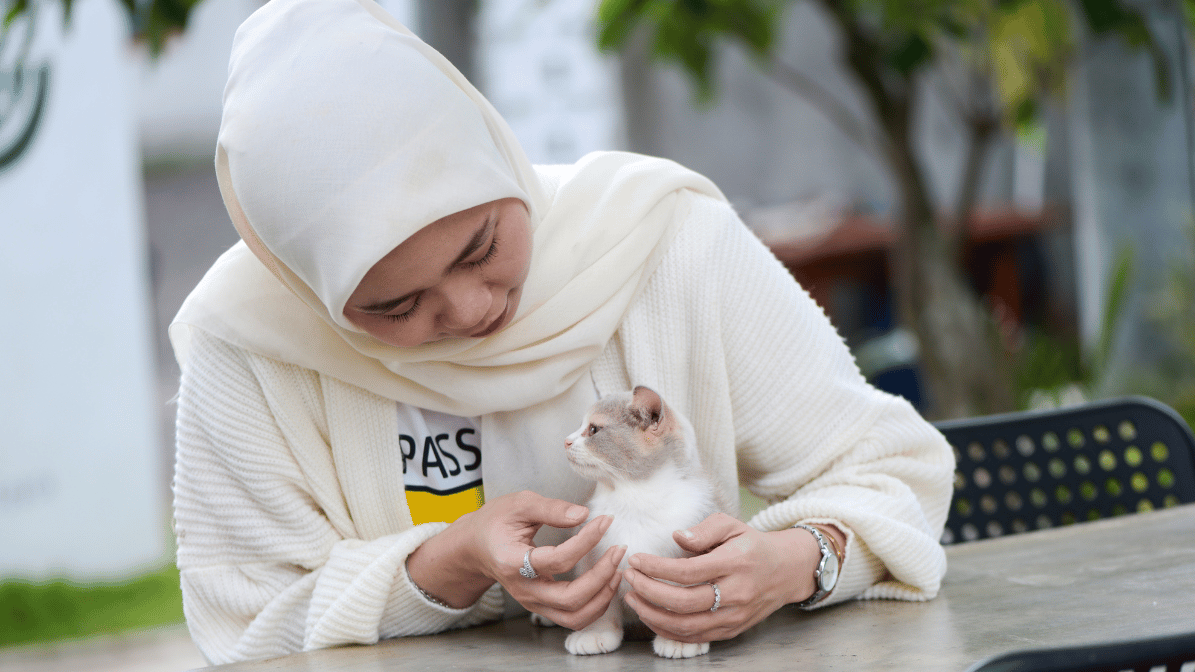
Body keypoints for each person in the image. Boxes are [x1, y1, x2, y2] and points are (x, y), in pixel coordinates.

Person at [169, 0, 954, 665]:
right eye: (396, 308)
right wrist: (444, 564)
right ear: (303, 287)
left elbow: (893, 473)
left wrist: (791, 563)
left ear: (495, 153)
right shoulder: (251, 343)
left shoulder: (660, 241)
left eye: (481, 248)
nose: (471, 311)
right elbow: (241, 620)